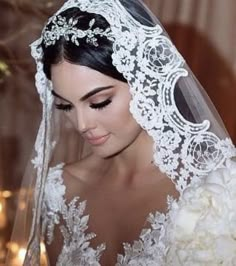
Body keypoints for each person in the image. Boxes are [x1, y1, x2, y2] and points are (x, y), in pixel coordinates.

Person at [7, 0, 236, 265]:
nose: (81, 124)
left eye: (99, 102)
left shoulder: (219, 193)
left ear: (145, 80)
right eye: (65, 105)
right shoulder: (60, 191)